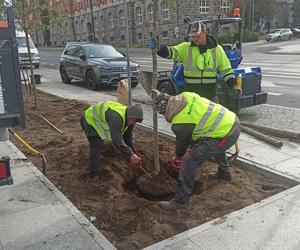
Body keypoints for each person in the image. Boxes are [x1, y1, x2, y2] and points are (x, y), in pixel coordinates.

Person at [151, 89, 241, 210]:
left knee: (189, 160)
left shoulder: (180, 123)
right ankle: (224, 174)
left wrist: (178, 158)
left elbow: (182, 147)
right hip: (230, 121)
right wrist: (159, 96)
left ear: (164, 112)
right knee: (207, 146)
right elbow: (193, 135)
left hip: (227, 134)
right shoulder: (186, 96)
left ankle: (181, 201)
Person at [157, 21, 237, 102]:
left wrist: (233, 85)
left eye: (197, 36)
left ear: (205, 33)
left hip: (210, 97)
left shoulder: (217, 49)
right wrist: (158, 48)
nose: (194, 39)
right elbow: (171, 52)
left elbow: (226, 69)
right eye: (193, 36)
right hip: (191, 98)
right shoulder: (186, 48)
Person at [80, 100, 143, 186]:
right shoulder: (117, 118)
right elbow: (117, 141)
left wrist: (133, 153)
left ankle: (98, 159)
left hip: (99, 121)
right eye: (134, 121)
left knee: (102, 143)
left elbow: (127, 138)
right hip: (89, 120)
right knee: (96, 145)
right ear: (130, 116)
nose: (134, 123)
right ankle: (93, 175)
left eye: (136, 122)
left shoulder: (129, 119)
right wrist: (131, 155)